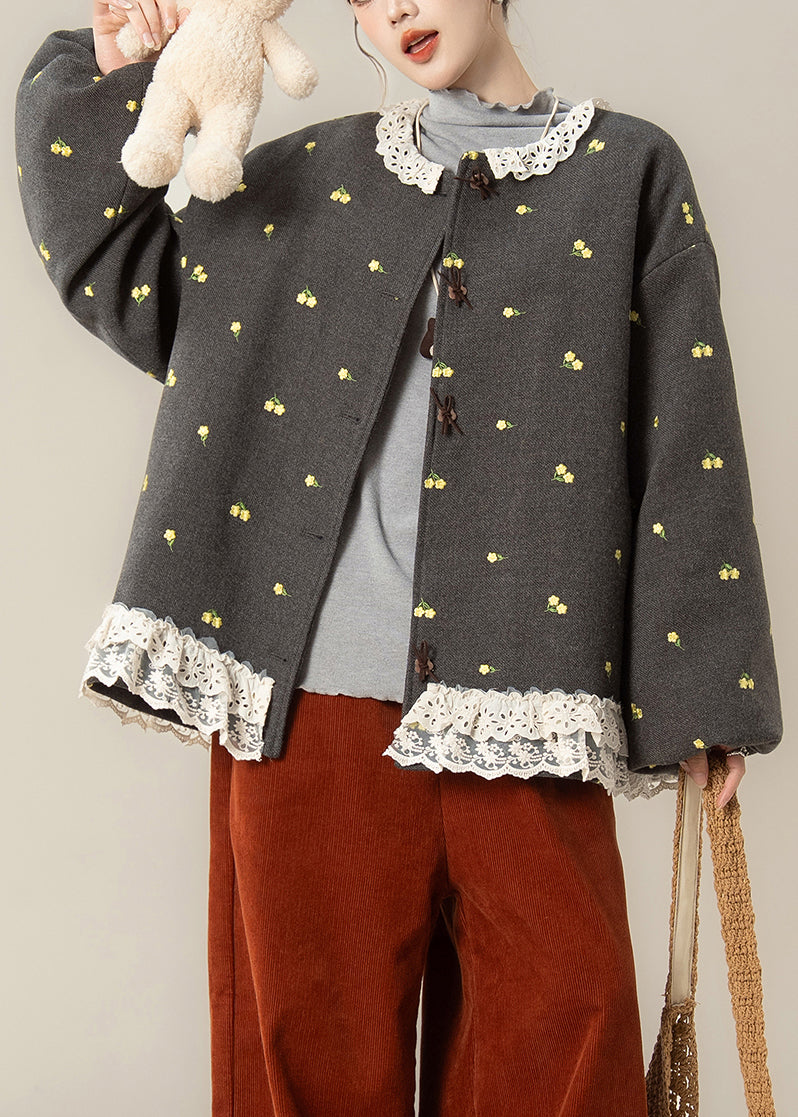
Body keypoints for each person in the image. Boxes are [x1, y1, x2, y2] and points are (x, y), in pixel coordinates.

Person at [15, 1, 783, 1113]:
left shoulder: (630, 174)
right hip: (311, 730)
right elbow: (111, 261)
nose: (397, 9)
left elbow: (688, 429)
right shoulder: (303, 181)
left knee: (567, 1048)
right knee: (306, 1071)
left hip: (528, 712)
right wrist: (115, 69)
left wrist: (704, 692)